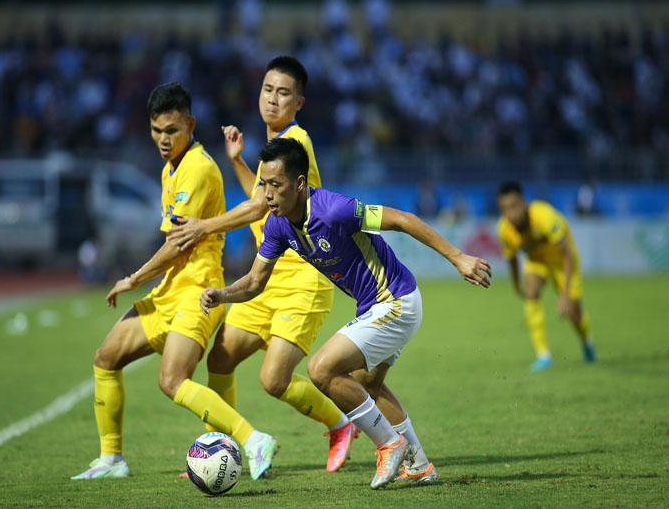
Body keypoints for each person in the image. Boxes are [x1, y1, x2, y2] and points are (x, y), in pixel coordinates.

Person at [199, 138, 492, 489]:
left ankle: (389, 444)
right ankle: (418, 464)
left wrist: (458, 257)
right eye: (263, 184)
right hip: (375, 306)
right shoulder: (277, 225)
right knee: (368, 385)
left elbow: (402, 219)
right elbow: (255, 281)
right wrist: (224, 295)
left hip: (396, 300)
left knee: (321, 368)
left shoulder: (334, 209)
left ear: (299, 184)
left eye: (275, 185)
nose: (267, 194)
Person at [71, 82, 277, 481]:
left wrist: (132, 278)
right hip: (170, 291)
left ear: (191, 125)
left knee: (171, 381)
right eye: (156, 130)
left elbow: (178, 245)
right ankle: (111, 460)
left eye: (171, 130)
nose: (163, 140)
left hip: (198, 292)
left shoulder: (198, 168)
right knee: (106, 358)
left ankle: (253, 440)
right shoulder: (172, 168)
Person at [168, 56, 356, 473]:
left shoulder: (298, 141)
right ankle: (227, 448)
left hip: (303, 277)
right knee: (220, 360)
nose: (272, 99)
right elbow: (265, 196)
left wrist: (204, 227)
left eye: (283, 92)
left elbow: (256, 207)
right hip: (263, 276)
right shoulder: (275, 146)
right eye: (268, 89)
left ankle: (341, 423)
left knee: (273, 381)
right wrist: (238, 162)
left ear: (299, 102)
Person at [496, 181, 596, 371]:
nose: (510, 214)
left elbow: (567, 255)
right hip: (536, 262)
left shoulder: (545, 217)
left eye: (513, 206)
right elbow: (512, 259)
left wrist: (565, 295)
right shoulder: (504, 229)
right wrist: (517, 286)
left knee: (575, 314)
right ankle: (543, 355)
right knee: (531, 293)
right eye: (504, 209)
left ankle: (587, 341)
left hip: (562, 261)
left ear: (524, 203)